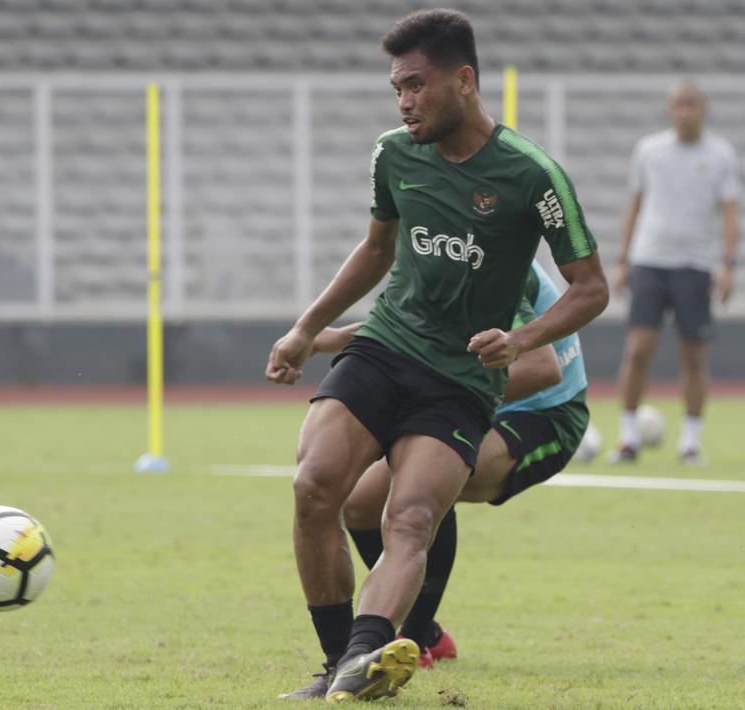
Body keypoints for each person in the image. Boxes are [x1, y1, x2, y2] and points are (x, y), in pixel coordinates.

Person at [265, 9, 608, 702]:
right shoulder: (394, 153)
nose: (404, 101)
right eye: (396, 87)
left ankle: (366, 663)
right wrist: (306, 328)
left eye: (416, 85)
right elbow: (375, 250)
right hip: (385, 348)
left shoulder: (531, 175)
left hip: (457, 382)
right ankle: (339, 664)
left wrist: (520, 339)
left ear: (464, 80)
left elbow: (590, 287)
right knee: (314, 488)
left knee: (412, 516)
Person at [322, 262, 590, 672]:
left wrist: (441, 393)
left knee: (432, 476)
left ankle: (413, 636)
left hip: (546, 413)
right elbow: (407, 327)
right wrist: (322, 338)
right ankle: (429, 634)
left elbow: (542, 369)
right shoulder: (430, 245)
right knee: (359, 504)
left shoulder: (502, 257)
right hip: (478, 404)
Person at [610, 81, 742, 466]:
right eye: (678, 105)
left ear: (704, 109)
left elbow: (731, 211)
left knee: (694, 356)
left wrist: (729, 265)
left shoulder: (721, 154)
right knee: (638, 351)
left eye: (692, 104)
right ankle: (628, 437)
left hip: (695, 265)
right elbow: (634, 204)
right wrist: (623, 259)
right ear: (670, 110)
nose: (685, 111)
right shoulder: (649, 151)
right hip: (650, 260)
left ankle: (690, 443)